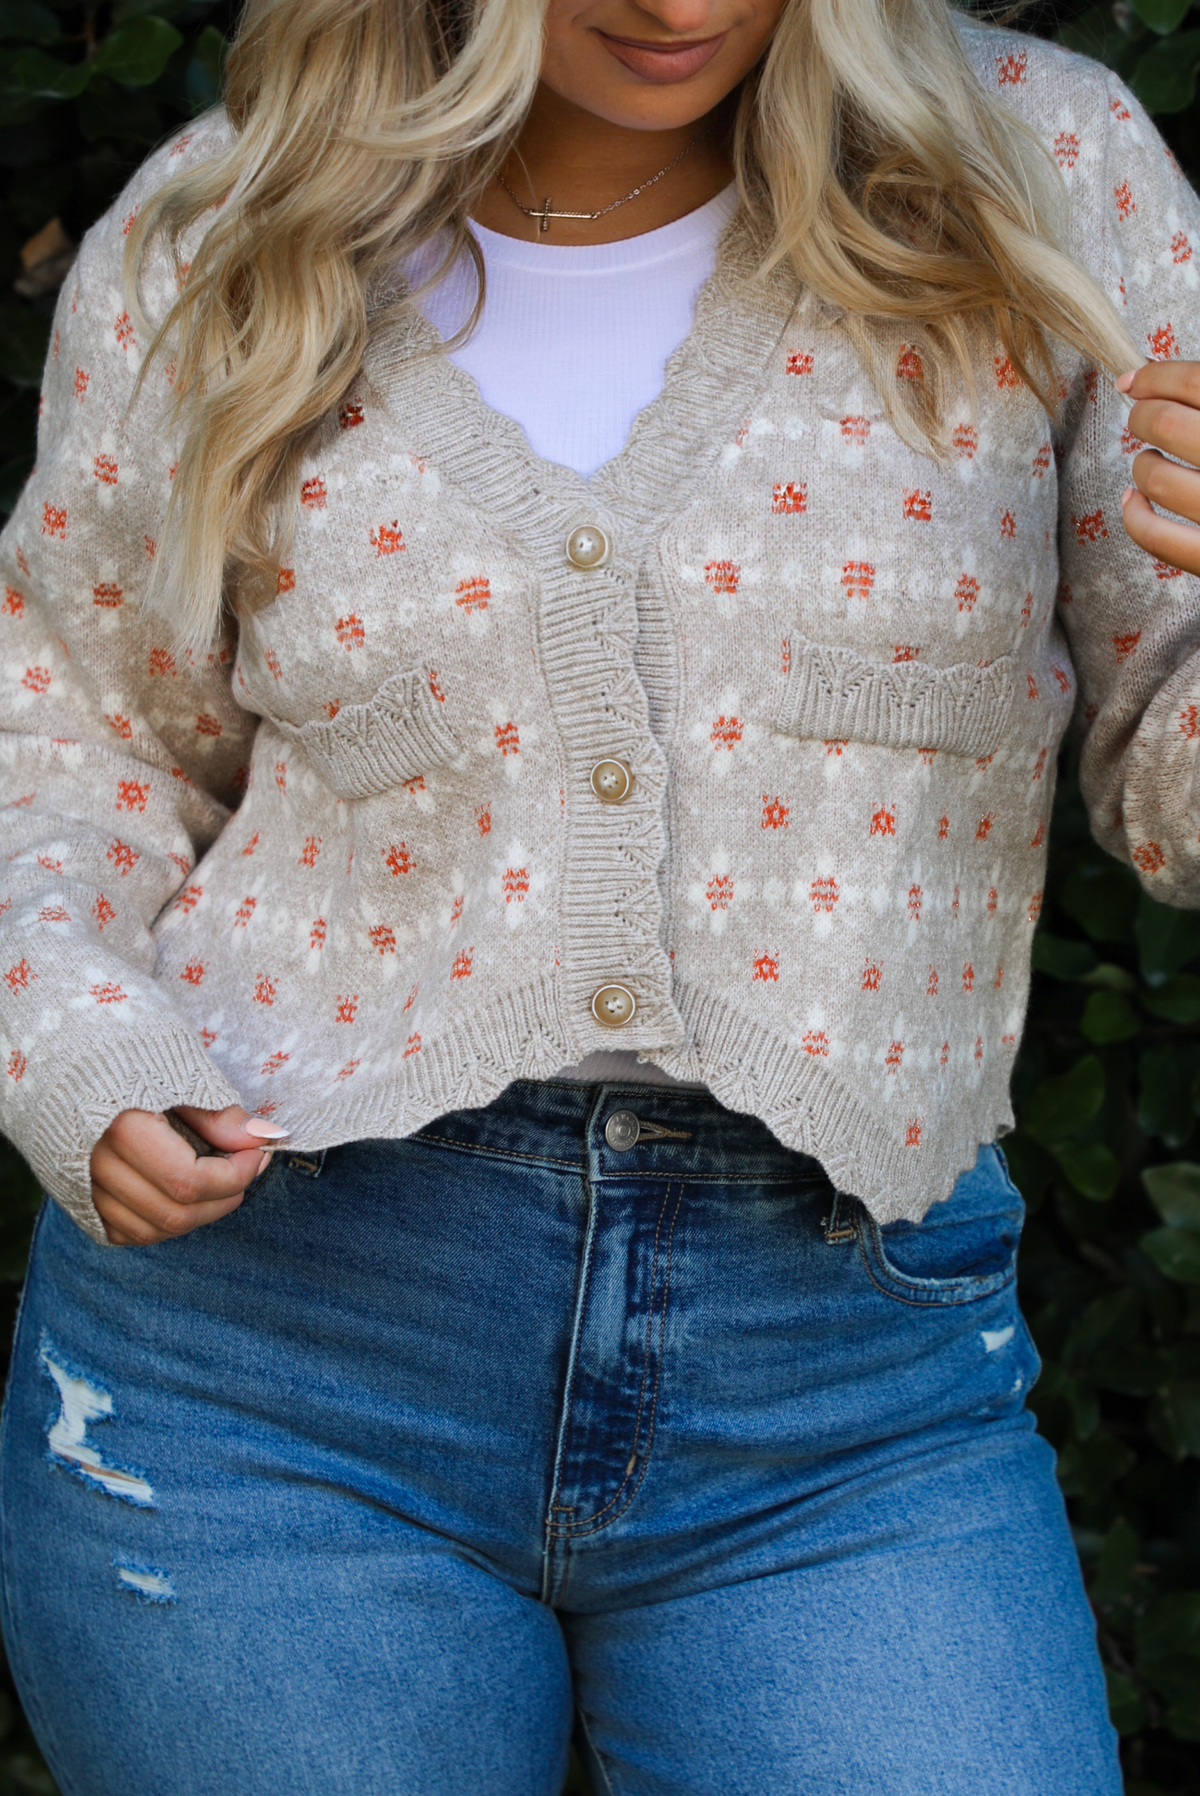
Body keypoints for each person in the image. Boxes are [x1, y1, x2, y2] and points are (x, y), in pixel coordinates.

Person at [0, 0, 1198, 1785]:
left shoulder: (1040, 172)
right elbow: (69, 733)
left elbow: (1166, 776)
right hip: (276, 1355)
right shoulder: (223, 232)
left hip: (849, 1388)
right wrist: (82, 1045)